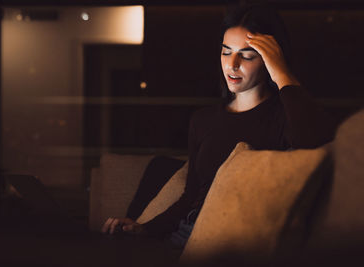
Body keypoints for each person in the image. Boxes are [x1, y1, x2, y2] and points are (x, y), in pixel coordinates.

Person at [101, 4, 337, 247]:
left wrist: (282, 73)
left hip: (233, 238)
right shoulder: (203, 120)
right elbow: (190, 197)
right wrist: (143, 228)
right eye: (226, 52)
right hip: (186, 233)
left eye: (246, 55)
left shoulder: (284, 117)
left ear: (269, 60)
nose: (232, 64)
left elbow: (317, 145)